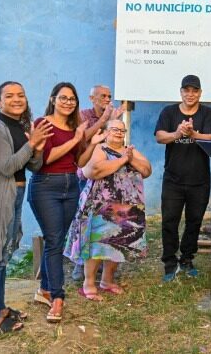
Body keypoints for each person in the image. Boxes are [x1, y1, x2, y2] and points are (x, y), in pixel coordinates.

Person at [0, 81, 52, 333]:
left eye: (21, 95)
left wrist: (36, 148)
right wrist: (32, 145)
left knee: (4, 254)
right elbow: (7, 167)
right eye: (9, 96)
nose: (17, 99)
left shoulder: (20, 126)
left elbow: (33, 166)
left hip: (16, 193)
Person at [28, 82, 103, 323]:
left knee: (57, 240)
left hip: (71, 186)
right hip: (46, 186)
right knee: (53, 240)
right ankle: (58, 298)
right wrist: (76, 138)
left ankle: (45, 289)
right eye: (63, 98)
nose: (68, 102)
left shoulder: (74, 127)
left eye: (72, 99)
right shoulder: (43, 123)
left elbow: (80, 161)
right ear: (53, 99)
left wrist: (91, 142)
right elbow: (47, 157)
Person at [64, 119, 151, 300]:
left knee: (118, 242)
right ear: (106, 131)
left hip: (126, 207)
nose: (119, 133)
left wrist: (130, 158)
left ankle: (107, 281)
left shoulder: (130, 150)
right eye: (114, 129)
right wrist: (123, 160)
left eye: (122, 130)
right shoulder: (99, 148)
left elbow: (146, 170)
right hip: (100, 206)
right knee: (96, 243)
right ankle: (88, 283)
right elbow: (94, 171)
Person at [155, 75, 211, 282]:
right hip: (173, 179)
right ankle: (170, 263)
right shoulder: (169, 112)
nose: (190, 94)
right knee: (169, 222)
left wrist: (192, 134)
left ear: (200, 93)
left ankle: (187, 259)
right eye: (186, 90)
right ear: (180, 91)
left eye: (194, 91)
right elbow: (159, 136)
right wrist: (177, 132)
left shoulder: (208, 113)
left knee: (194, 222)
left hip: (199, 180)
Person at [72, 84, 123, 282]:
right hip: (85, 178)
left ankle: (103, 267)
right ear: (92, 98)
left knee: (106, 223)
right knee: (84, 223)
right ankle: (80, 266)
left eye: (109, 96)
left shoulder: (113, 117)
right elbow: (83, 139)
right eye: (103, 96)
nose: (107, 99)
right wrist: (105, 121)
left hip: (107, 178)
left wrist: (114, 123)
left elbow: (114, 143)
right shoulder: (82, 116)